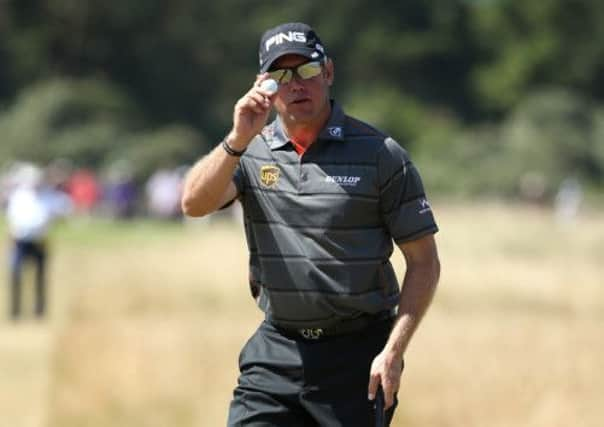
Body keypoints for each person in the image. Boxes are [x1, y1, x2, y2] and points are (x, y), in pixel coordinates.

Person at [182, 22, 440, 426]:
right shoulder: (250, 152)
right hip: (276, 350)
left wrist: (393, 351)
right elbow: (194, 204)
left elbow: (424, 262)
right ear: (263, 85)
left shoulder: (381, 155)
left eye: (305, 70)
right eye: (281, 75)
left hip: (357, 355)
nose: (296, 84)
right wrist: (237, 138)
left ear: (329, 72)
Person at [5, 163, 72, 320]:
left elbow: (62, 211)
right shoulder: (19, 196)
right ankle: (15, 311)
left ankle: (39, 312)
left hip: (40, 241)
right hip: (20, 241)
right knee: (16, 275)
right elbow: (12, 218)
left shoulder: (48, 196)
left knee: (40, 277)